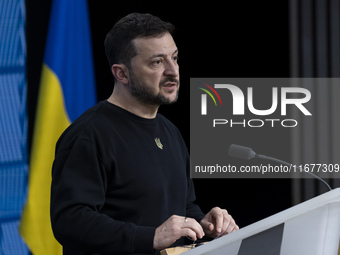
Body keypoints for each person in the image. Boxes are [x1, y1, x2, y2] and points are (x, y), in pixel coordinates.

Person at [50, 13, 238, 255]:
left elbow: (183, 206)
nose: (173, 71)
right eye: (157, 62)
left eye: (175, 58)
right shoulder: (89, 134)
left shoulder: (170, 132)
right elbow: (69, 221)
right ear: (121, 74)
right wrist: (151, 237)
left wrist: (202, 224)